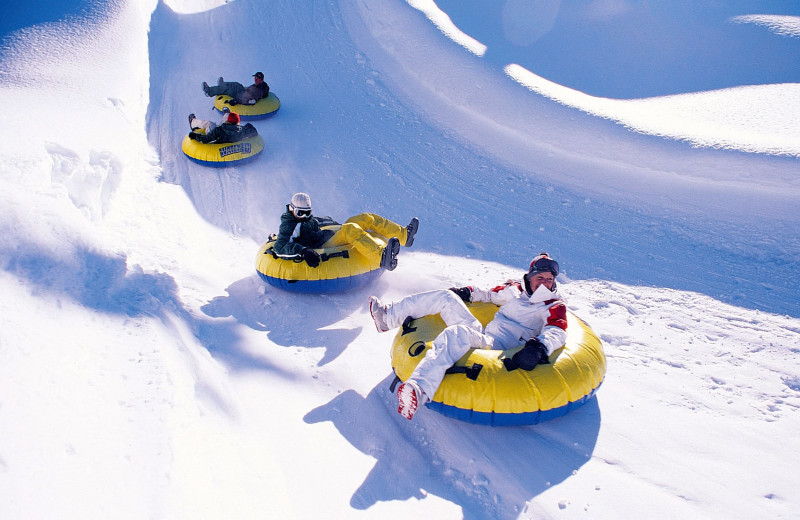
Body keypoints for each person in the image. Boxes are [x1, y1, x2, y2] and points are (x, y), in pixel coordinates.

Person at [368, 252, 567, 420]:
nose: (545, 284)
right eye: (540, 278)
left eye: (549, 280)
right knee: (446, 297)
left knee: (455, 333)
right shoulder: (515, 290)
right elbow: (489, 294)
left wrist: (539, 347)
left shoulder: (553, 304)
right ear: (529, 277)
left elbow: (556, 331)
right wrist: (467, 292)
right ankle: (387, 317)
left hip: (497, 350)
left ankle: (418, 390)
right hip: (485, 334)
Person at [273, 192, 419, 271]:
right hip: (321, 247)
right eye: (300, 213)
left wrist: (334, 224)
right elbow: (279, 247)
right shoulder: (289, 224)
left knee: (364, 218)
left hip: (325, 237)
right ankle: (381, 257)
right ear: (292, 209)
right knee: (350, 229)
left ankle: (404, 235)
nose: (304, 216)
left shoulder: (305, 219)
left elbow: (316, 222)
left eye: (307, 212)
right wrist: (304, 251)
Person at [202, 72, 269, 106]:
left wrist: (236, 101)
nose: (255, 80)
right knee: (236, 84)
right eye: (255, 78)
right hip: (244, 92)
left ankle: (209, 92)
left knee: (228, 89)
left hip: (241, 96)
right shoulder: (262, 85)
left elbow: (251, 100)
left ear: (261, 80)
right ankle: (222, 84)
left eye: (257, 79)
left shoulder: (258, 91)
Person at [187, 110, 254, 144]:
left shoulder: (219, 130)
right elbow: (254, 132)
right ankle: (226, 113)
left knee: (209, 124)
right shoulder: (243, 130)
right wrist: (248, 126)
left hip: (218, 139)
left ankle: (193, 122)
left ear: (228, 121)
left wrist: (195, 136)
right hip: (231, 133)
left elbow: (206, 139)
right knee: (226, 118)